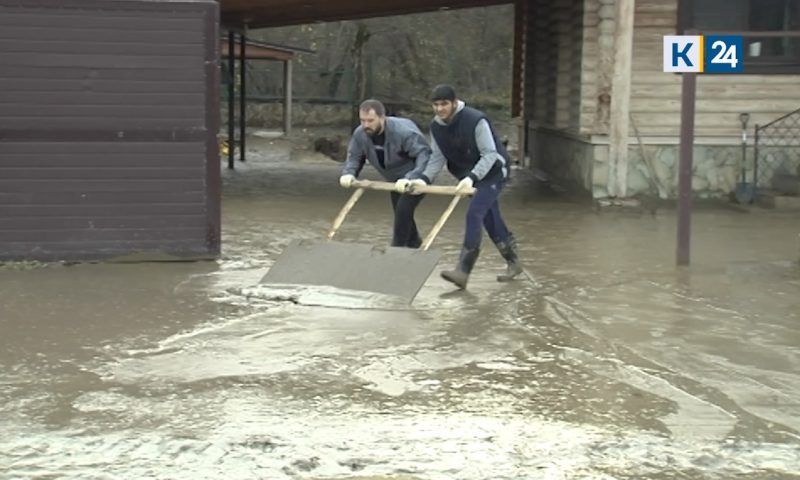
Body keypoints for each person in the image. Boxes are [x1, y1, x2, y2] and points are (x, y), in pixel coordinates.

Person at [426, 84, 523, 289]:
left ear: (454, 102)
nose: (440, 109)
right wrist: (423, 179)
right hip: (469, 175)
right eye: (435, 105)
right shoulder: (436, 127)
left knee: (474, 214)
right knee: (489, 217)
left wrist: (471, 177)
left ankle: (464, 270)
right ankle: (513, 262)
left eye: (444, 104)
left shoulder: (475, 120)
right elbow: (437, 157)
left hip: (494, 172)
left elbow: (489, 154)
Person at [339, 99, 442, 248]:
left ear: (382, 117)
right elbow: (355, 156)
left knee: (403, 209)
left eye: (370, 121)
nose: (366, 125)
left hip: (418, 177)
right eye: (362, 120)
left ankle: (396, 249)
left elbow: (424, 156)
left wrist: (412, 178)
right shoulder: (360, 134)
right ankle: (415, 246)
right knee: (402, 214)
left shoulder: (403, 132)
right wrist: (349, 173)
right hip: (394, 180)